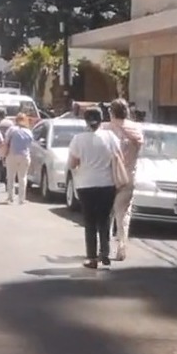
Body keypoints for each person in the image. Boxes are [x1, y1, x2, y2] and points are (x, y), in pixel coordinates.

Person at [68, 107, 122, 269]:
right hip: (107, 184)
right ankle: (104, 252)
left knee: (90, 222)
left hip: (86, 185)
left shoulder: (78, 139)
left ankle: (92, 258)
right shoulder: (110, 137)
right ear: (101, 119)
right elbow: (118, 156)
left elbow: (72, 163)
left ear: (85, 121)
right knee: (104, 220)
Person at [105, 98, 144, 261]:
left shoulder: (105, 129)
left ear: (111, 112)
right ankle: (122, 247)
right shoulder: (136, 129)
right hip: (128, 176)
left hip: (108, 176)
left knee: (107, 214)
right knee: (123, 214)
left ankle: (104, 248)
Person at [4, 113, 35, 204]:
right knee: (23, 177)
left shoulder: (11, 129)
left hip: (12, 154)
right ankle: (21, 199)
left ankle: (10, 197)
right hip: (24, 156)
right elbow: (31, 144)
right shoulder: (28, 131)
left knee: (10, 177)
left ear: (16, 120)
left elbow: (6, 141)